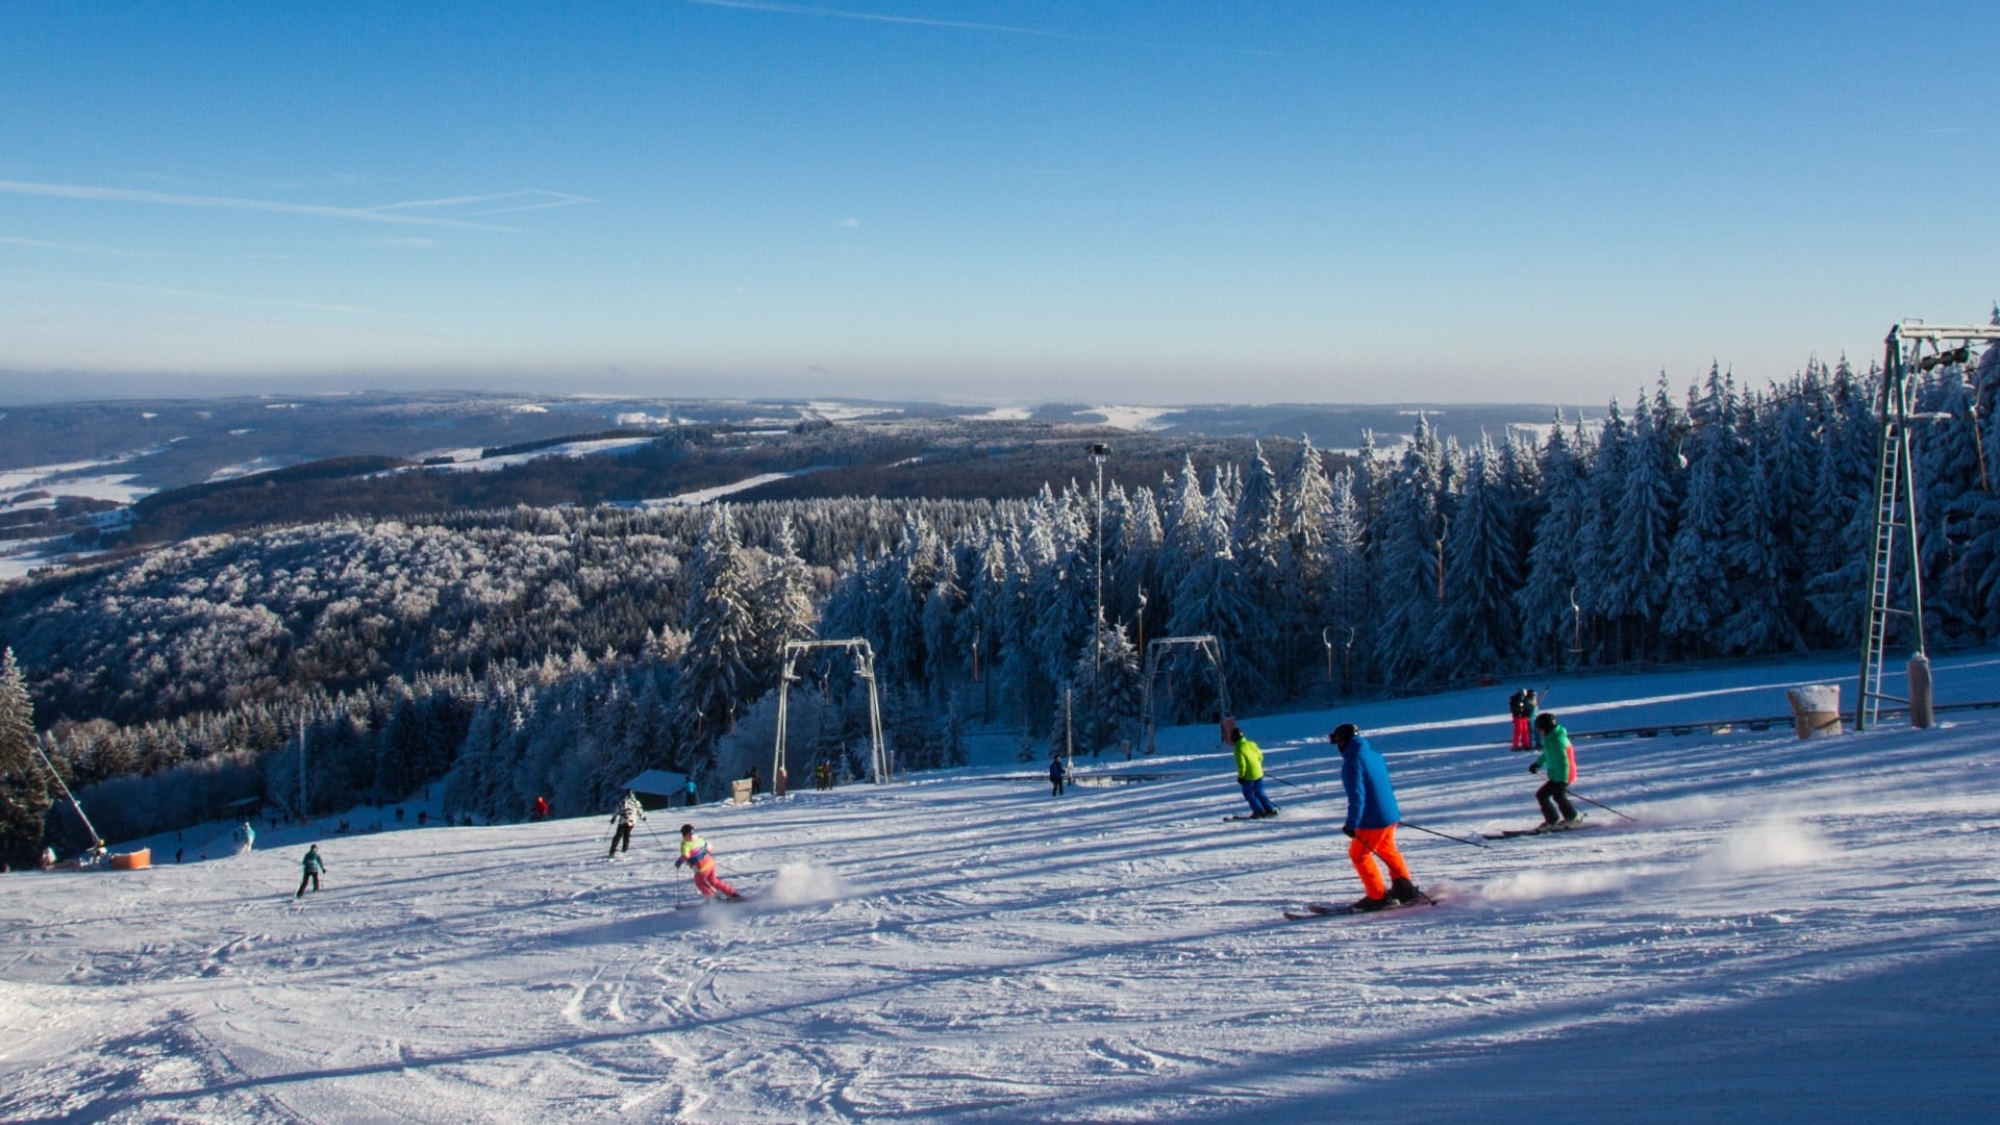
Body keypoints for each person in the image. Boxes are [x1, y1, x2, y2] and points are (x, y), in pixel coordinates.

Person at [1329, 723, 1421, 911]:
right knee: (1387, 848)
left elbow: (1357, 796)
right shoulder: (1374, 756)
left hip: (1373, 820)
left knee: (1359, 855)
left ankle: (1377, 896)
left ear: (1343, 741)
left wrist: (1352, 824)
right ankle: (1404, 888)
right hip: (1389, 814)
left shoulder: (1353, 761)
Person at [1529, 711, 1580, 829]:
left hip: (1563, 775)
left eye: (1539, 729)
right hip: (1559, 775)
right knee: (1558, 796)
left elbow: (1565, 762)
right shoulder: (1551, 739)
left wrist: (1562, 780)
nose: (1539, 732)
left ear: (1546, 728)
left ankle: (1552, 821)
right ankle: (1571, 818)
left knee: (1542, 795)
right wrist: (1537, 764)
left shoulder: (1557, 742)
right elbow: (1547, 755)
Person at [675, 823, 742, 901]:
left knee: (699, 882)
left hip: (702, 867)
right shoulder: (700, 839)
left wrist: (679, 862)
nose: (683, 836)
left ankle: (712, 899)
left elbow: (685, 856)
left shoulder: (685, 844)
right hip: (710, 863)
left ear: (686, 834)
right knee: (714, 881)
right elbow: (710, 848)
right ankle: (733, 894)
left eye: (683, 834)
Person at [1228, 721, 1279, 819]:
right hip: (1259, 773)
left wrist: (1241, 777)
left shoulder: (1238, 749)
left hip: (1248, 776)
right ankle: (1269, 809)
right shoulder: (1252, 743)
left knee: (1249, 793)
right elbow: (1260, 757)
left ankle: (1258, 811)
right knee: (1259, 792)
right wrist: (1257, 767)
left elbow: (1242, 765)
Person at [608, 791, 644, 858]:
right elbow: (640, 811)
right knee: (627, 834)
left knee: (618, 835)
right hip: (632, 821)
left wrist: (613, 818)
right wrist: (643, 817)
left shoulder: (622, 802)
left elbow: (616, 811)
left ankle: (612, 850)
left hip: (623, 820)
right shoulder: (636, 802)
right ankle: (624, 849)